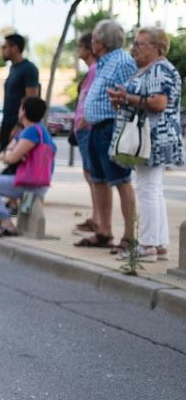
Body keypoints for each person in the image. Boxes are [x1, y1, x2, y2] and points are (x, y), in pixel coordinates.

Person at [106, 27, 182, 261]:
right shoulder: (151, 69)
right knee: (153, 189)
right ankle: (158, 243)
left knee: (148, 189)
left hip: (152, 137)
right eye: (134, 43)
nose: (134, 48)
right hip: (151, 136)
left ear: (157, 47)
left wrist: (126, 98)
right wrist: (122, 99)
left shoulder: (160, 68)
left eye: (140, 44)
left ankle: (147, 245)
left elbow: (159, 102)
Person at [75, 19, 137, 251]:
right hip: (96, 128)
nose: (91, 43)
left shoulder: (122, 61)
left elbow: (129, 94)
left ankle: (129, 236)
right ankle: (104, 231)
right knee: (98, 180)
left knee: (121, 180)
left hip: (111, 127)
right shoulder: (103, 63)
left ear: (101, 42)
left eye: (93, 40)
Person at [0, 96, 56, 237]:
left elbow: (10, 157)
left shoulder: (32, 132)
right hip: (34, 182)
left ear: (23, 112)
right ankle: (0, 221)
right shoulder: (36, 130)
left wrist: (10, 154)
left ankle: (6, 223)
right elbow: (7, 153)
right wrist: (10, 154)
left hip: (31, 184)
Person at [71, 32, 102, 236]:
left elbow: (91, 97)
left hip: (87, 128)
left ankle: (98, 219)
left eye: (80, 47)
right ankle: (95, 217)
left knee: (92, 174)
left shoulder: (94, 70)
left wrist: (83, 121)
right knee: (89, 173)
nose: (78, 51)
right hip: (83, 128)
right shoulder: (91, 70)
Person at [0, 33, 40, 150]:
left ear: (15, 48)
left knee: (17, 164)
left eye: (5, 47)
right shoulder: (12, 68)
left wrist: (19, 126)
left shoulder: (29, 69)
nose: (2, 50)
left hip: (19, 125)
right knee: (6, 159)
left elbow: (31, 101)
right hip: (7, 122)